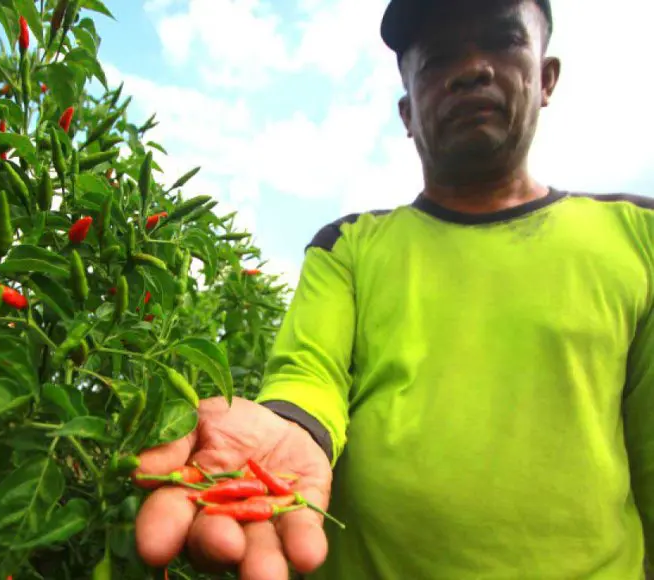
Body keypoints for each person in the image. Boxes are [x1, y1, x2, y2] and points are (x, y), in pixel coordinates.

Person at [132, 0, 654, 577]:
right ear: (407, 112)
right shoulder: (349, 245)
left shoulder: (639, 236)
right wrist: (292, 426)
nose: (472, 69)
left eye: (502, 40)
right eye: (438, 60)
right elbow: (309, 372)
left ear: (547, 77)